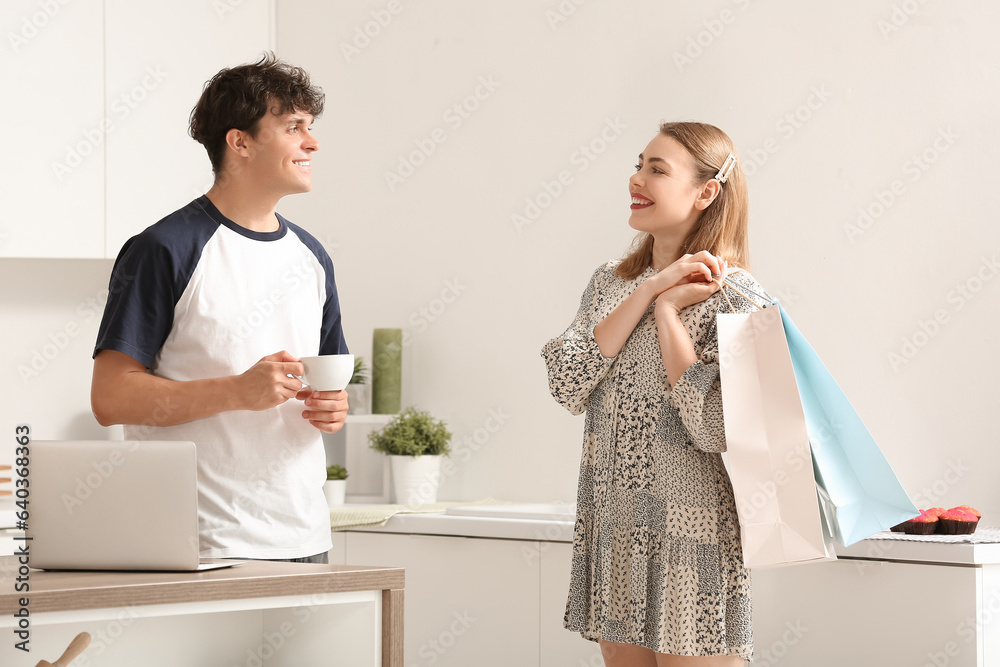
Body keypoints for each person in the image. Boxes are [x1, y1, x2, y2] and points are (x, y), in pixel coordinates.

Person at [90, 53, 348, 564]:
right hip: (199, 546)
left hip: (306, 539)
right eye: (294, 126)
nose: (312, 142)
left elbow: (328, 385)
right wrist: (237, 391)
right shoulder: (164, 248)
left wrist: (334, 408)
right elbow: (111, 398)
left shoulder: (312, 257)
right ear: (241, 141)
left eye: (310, 127)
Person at [542, 121, 767, 666]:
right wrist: (650, 290)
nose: (635, 180)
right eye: (638, 164)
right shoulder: (609, 284)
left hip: (694, 542)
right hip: (615, 529)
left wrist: (669, 315)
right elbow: (567, 383)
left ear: (706, 192)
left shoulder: (740, 298)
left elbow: (718, 427)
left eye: (657, 170)